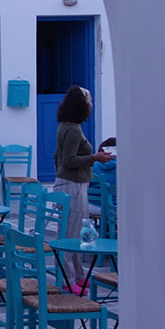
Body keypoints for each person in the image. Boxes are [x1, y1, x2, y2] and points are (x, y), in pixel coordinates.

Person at [54, 86, 112, 291]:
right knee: (71, 236)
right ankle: (67, 281)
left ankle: (79, 275)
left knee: (79, 233)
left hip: (72, 184)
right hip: (73, 186)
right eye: (89, 101)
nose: (91, 105)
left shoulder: (66, 126)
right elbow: (69, 160)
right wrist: (95, 158)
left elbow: (57, 157)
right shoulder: (72, 130)